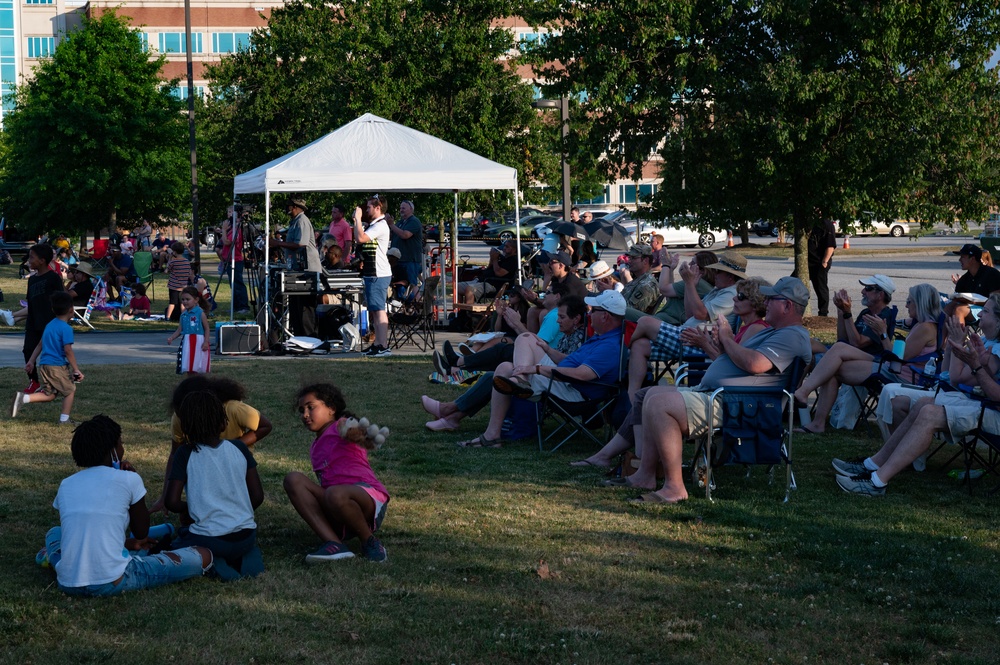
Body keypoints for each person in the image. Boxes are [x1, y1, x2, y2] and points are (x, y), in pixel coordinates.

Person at [622, 276, 812, 503]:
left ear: (788, 305)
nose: (766, 302)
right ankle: (646, 474)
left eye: (772, 299)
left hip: (743, 406)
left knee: (660, 405)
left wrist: (726, 337)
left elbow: (755, 364)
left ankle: (674, 488)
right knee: (650, 394)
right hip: (728, 397)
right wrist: (720, 344)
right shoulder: (773, 331)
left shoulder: (791, 335)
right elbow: (741, 362)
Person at [834, 305, 1000, 496]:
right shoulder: (990, 343)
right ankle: (873, 464)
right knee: (923, 404)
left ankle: (877, 482)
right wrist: (973, 359)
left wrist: (977, 365)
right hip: (981, 403)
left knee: (929, 413)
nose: (978, 313)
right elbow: (957, 378)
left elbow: (994, 395)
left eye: (986, 311)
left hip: (993, 410)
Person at [39, 415, 213, 596]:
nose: (123, 448)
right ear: (113, 451)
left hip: (67, 582)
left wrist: (128, 542)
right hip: (113, 579)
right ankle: (128, 556)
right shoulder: (128, 479)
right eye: (121, 443)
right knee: (203, 555)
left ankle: (55, 558)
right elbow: (141, 532)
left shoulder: (66, 484)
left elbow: (89, 525)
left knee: (55, 532)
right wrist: (133, 481)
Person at [454, 290, 627, 448]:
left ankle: (516, 385)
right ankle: (493, 433)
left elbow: (581, 374)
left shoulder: (610, 345)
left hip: (574, 393)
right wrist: (548, 350)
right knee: (507, 363)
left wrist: (537, 369)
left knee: (517, 348)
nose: (588, 314)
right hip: (565, 382)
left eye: (593, 311)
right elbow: (573, 362)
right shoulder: (600, 338)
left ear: (605, 316)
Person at [423, 294, 589, 431]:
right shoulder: (568, 333)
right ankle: (453, 414)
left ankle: (452, 399)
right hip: (545, 371)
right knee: (498, 370)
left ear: (576, 319)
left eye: (562, 317)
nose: (558, 320)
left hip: (556, 379)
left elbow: (546, 349)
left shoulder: (579, 337)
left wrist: (519, 328)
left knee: (512, 345)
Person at [795, 282, 941, 434]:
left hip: (900, 375)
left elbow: (897, 359)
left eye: (909, 301)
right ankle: (815, 418)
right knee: (835, 359)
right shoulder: (921, 324)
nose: (906, 306)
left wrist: (883, 333)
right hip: (891, 366)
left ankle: (805, 397)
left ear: (920, 303)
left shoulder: (925, 328)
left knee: (835, 358)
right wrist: (843, 313)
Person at [283, 383, 390, 563]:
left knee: (335, 493)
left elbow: (350, 431)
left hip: (366, 497)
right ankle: (334, 544)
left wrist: (358, 435)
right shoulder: (315, 446)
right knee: (293, 479)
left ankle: (369, 541)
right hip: (335, 503)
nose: (305, 415)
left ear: (331, 408)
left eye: (311, 407)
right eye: (302, 410)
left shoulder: (340, 425)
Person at [165, 390, 265, 578]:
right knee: (238, 545)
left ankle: (212, 562)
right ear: (223, 422)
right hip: (246, 535)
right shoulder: (240, 448)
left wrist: (191, 508)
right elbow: (257, 496)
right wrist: (236, 511)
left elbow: (171, 502)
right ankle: (246, 557)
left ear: (185, 426)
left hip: (209, 539)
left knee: (179, 541)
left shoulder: (185, 454)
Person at [625, 251, 747, 400]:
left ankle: (613, 354)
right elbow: (691, 314)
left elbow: (701, 314)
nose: (714, 274)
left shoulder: (730, 294)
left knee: (645, 322)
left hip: (697, 343)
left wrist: (688, 283)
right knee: (639, 345)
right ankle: (631, 398)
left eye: (718, 271)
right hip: (686, 336)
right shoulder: (718, 290)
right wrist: (691, 286)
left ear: (730, 276)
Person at [151, 376, 273, 514]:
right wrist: (164, 497)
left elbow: (265, 426)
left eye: (187, 420)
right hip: (203, 470)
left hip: (233, 468)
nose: (184, 424)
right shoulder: (179, 418)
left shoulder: (233, 409)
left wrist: (234, 446)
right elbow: (175, 454)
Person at [12, 292, 83, 424]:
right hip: (56, 366)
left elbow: (40, 344)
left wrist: (31, 361)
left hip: (44, 365)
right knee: (69, 391)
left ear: (53, 309)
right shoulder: (66, 329)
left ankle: (23, 399)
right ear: (71, 310)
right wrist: (76, 369)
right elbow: (68, 350)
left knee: (50, 395)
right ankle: (64, 419)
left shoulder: (50, 325)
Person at [3, 244, 64, 394]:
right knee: (28, 350)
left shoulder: (53, 278)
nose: (29, 260)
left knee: (49, 354)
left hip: (49, 322)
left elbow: (60, 301)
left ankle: (54, 382)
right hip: (33, 322)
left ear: (42, 260)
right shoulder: (32, 280)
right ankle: (34, 382)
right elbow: (31, 302)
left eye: (32, 257)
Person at [274, 197, 322, 337]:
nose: (287, 209)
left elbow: (301, 244)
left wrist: (278, 244)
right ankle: (299, 336)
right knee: (296, 305)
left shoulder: (302, 221)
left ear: (294, 207)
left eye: (288, 206)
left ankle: (309, 337)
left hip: (308, 270)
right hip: (298, 269)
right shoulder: (294, 222)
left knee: (305, 307)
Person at [353, 195, 392, 357]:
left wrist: (357, 219)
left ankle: (383, 345)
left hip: (378, 273)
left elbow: (360, 238)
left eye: (369, 207)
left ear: (378, 207)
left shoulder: (380, 225)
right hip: (372, 273)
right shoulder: (374, 225)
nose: (366, 210)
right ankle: (377, 343)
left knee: (379, 310)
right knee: (375, 311)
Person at [653, 250, 717, 325]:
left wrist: (665, 265)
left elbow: (663, 289)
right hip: (666, 320)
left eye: (693, 263)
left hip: (667, 321)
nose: (689, 263)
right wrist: (671, 269)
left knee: (640, 319)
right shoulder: (703, 284)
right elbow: (669, 295)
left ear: (702, 270)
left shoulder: (698, 283)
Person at [947, 244, 1000, 323]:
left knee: (959, 309)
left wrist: (974, 302)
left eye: (963, 257)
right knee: (947, 307)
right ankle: (939, 335)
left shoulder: (992, 274)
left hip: (990, 311)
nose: (959, 260)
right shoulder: (963, 280)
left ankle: (958, 335)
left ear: (972, 259)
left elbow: (996, 302)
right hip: (970, 308)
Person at [457, 238, 518, 303]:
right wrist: (492, 258)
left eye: (507, 246)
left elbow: (499, 273)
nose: (504, 248)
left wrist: (495, 259)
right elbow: (489, 268)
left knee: (470, 290)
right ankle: (460, 310)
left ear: (514, 249)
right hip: (482, 280)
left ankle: (469, 311)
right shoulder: (503, 258)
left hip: (493, 284)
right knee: (457, 287)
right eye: (504, 246)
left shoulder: (512, 260)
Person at [167, 286, 211, 375]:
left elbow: (207, 328)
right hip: (187, 341)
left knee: (196, 363)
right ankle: (190, 382)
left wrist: (206, 341)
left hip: (198, 341)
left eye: (188, 299)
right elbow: (180, 329)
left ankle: (197, 383)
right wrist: (172, 337)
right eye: (183, 299)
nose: (185, 302)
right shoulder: (183, 315)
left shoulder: (200, 313)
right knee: (188, 364)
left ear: (196, 300)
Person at [389, 200, 423, 297]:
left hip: (410, 260)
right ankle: (405, 306)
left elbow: (405, 235)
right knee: (400, 286)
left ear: (411, 209)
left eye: (403, 208)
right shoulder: (400, 222)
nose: (401, 210)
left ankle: (417, 306)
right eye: (400, 208)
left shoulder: (414, 221)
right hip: (399, 260)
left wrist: (391, 225)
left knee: (412, 284)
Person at [220, 205, 250, 314]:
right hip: (228, 259)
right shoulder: (232, 228)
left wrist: (223, 230)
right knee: (233, 284)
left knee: (238, 283)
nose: (228, 215)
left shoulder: (237, 229)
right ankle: (236, 306)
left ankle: (243, 306)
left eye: (230, 212)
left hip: (235, 259)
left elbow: (228, 242)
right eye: (228, 212)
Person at [620, 244, 660, 320]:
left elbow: (630, 313)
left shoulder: (646, 286)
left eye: (633, 258)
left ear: (645, 261)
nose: (629, 261)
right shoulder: (638, 279)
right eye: (629, 258)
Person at [808, 217, 837, 316]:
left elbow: (830, 246)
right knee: (793, 283)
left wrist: (825, 262)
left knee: (821, 288)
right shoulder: (808, 222)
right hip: (807, 263)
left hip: (819, 262)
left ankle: (823, 313)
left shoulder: (827, 224)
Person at [165, 241, 193, 321]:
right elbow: (189, 273)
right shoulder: (186, 261)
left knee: (172, 302)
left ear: (174, 252)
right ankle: (184, 317)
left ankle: (168, 317)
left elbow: (167, 270)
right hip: (183, 286)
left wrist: (170, 259)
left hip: (173, 286)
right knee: (182, 303)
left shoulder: (174, 261)